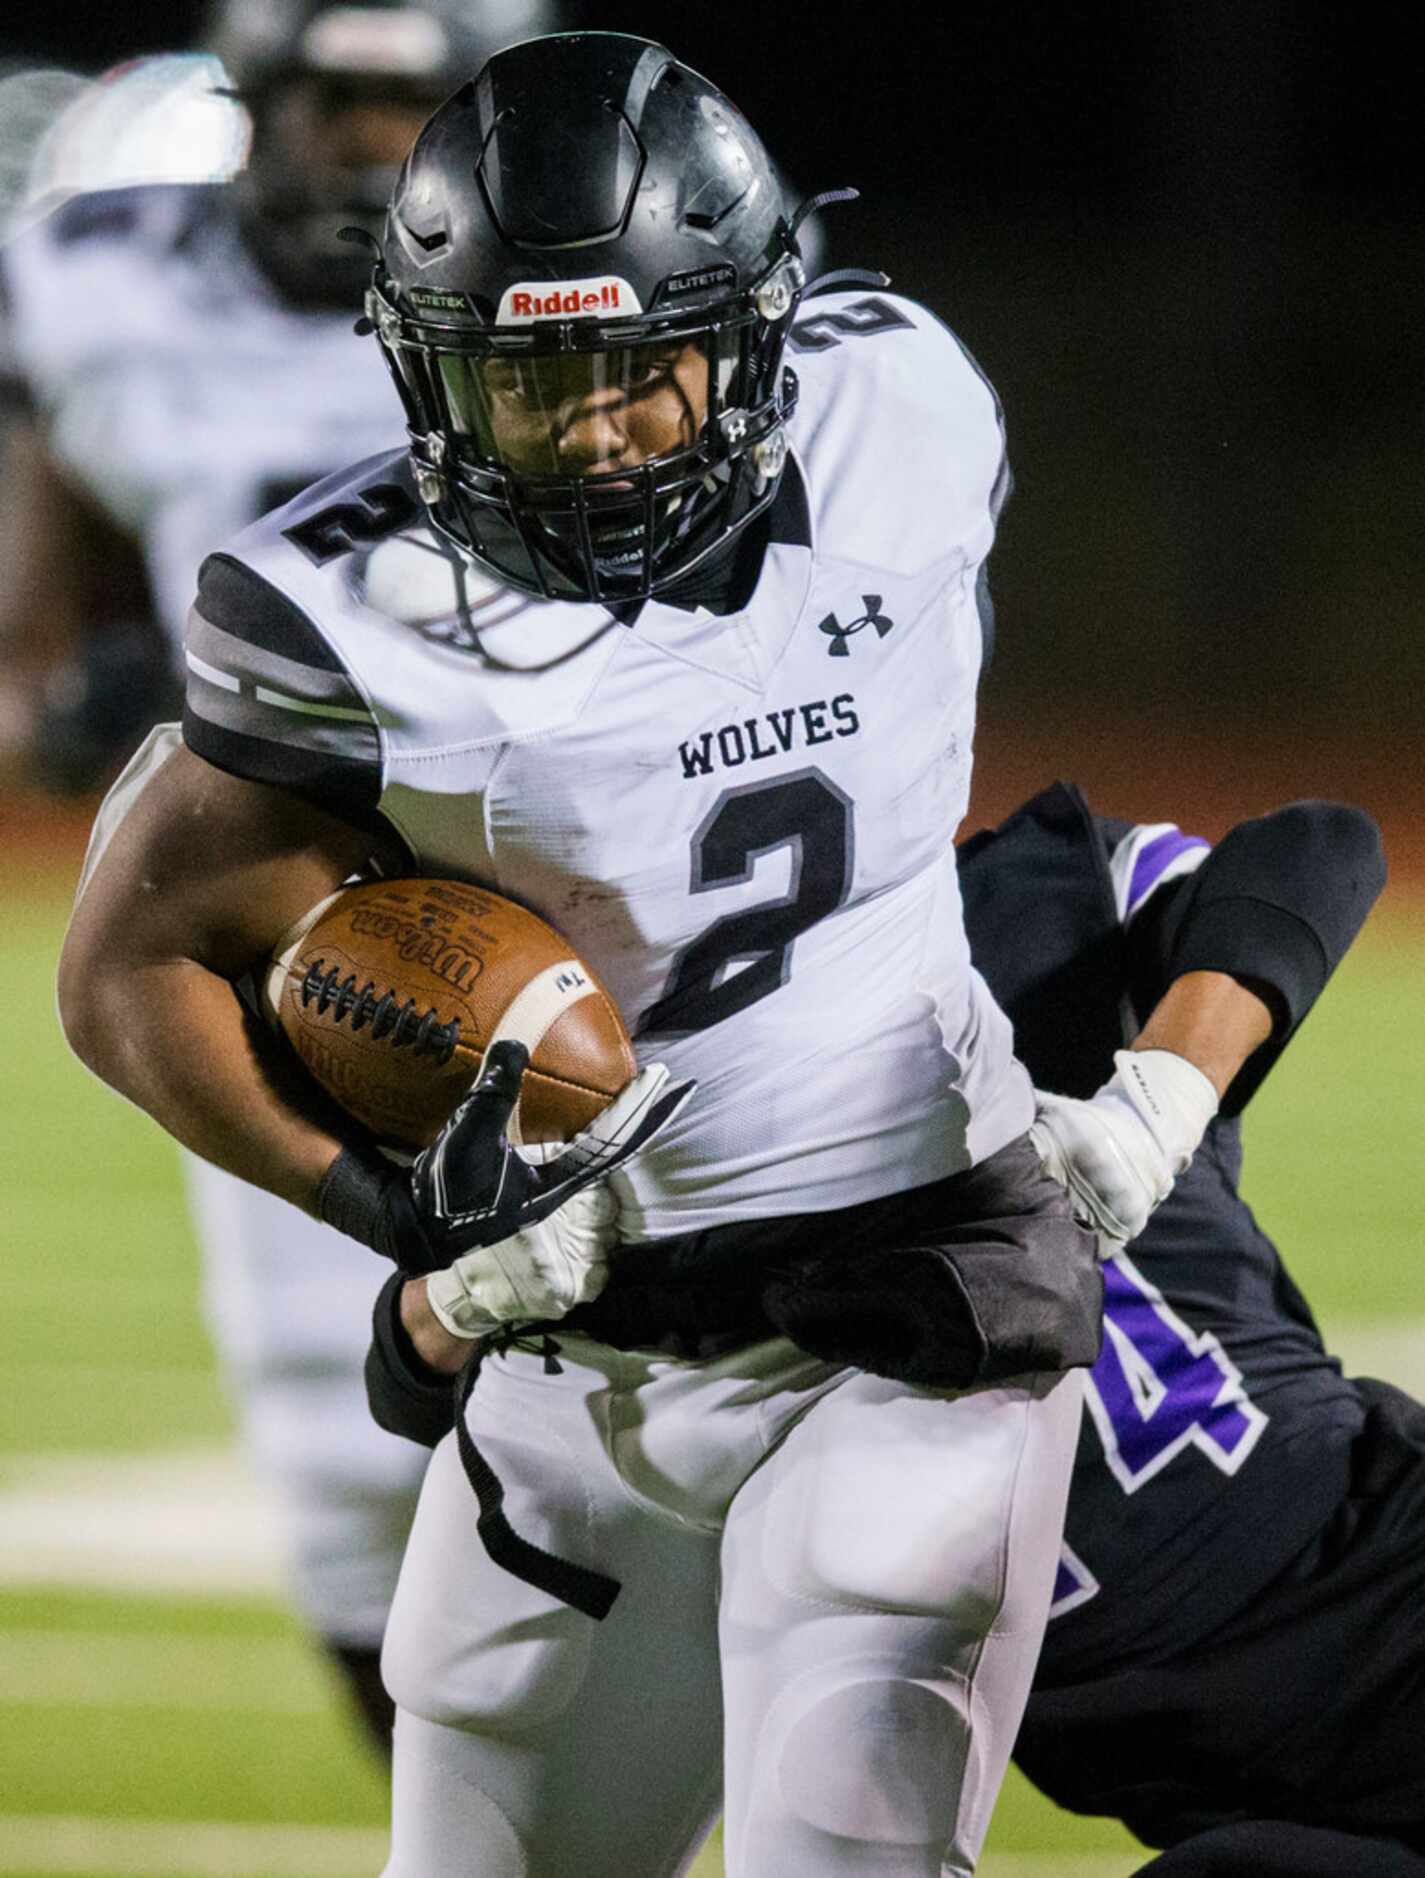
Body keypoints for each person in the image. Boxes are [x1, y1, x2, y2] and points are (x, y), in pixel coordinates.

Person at [56, 34, 1265, 1875]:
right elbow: (125, 965)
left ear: (762, 333)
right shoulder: (342, 613)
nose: (603, 427)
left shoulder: (905, 418)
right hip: (578, 1334)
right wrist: (403, 1212)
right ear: (425, 375)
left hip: (914, 1291)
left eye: (648, 368)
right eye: (532, 386)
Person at [2, 0, 561, 1748]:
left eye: (410, 105)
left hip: (561, 900)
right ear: (255, 90)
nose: (368, 147)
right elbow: (25, 645)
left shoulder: (568, 305)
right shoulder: (101, 284)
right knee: (349, 1499)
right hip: (283, 940)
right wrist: (72, 698)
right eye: (332, 98)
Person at [954, 783, 1421, 1877]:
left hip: (1377, 1595)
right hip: (1212, 1789)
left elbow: (1320, 845)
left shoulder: (1005, 922)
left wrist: (1159, 1095)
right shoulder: (601, 1139)